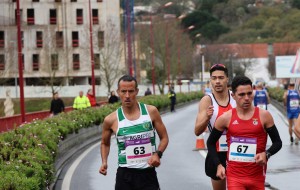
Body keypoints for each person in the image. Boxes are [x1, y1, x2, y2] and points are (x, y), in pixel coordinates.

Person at [207, 75, 282, 190]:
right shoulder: (225, 118)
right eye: (241, 95)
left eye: (249, 93)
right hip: (234, 177)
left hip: (257, 177)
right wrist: (218, 165)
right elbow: (210, 143)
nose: (246, 98)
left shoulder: (264, 116)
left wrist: (266, 154)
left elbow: (278, 142)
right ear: (233, 96)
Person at [99, 75, 169, 190]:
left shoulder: (151, 112)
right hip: (125, 176)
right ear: (118, 92)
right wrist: (104, 162)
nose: (127, 96)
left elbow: (164, 137)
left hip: (147, 175)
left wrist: (158, 154)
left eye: (131, 91)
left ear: (136, 91)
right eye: (123, 91)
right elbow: (105, 143)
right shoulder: (111, 119)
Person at [194, 63, 236, 190]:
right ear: (210, 80)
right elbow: (197, 131)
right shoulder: (207, 101)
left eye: (221, 78)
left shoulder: (235, 97)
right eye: (214, 78)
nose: (217, 81)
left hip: (236, 150)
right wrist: (207, 117)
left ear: (227, 79)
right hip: (217, 153)